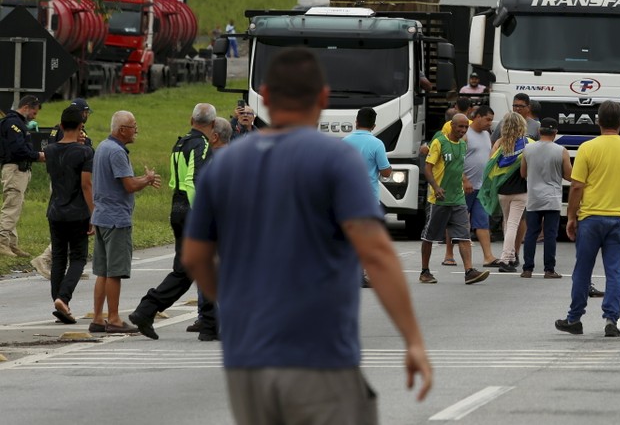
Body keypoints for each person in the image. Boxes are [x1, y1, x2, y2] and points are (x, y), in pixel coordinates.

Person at [181, 47, 432, 422]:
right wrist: (413, 340)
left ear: (264, 96)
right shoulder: (335, 160)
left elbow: (195, 257)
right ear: (323, 97)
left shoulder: (225, 164)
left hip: (248, 360)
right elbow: (376, 254)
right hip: (322, 357)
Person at [555, 101, 620, 337]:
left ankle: (574, 318)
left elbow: (576, 186)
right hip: (618, 219)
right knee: (614, 272)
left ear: (598, 121)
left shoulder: (587, 148)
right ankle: (611, 319)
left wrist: (571, 217)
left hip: (590, 218)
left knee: (582, 271)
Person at [128, 103, 219, 341]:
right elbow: (194, 179)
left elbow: (177, 180)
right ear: (212, 124)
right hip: (192, 209)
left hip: (177, 207)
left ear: (191, 120)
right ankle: (210, 326)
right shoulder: (202, 144)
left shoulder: (180, 143)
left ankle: (146, 310)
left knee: (185, 270)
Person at [90, 110, 160, 335]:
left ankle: (98, 318)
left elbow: (123, 182)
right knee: (115, 272)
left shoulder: (102, 147)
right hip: (116, 219)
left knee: (102, 271)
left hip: (101, 216)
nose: (136, 129)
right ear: (122, 130)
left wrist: (144, 180)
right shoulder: (117, 152)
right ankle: (114, 319)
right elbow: (129, 186)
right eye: (133, 125)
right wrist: (147, 180)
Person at [419, 113, 489, 285]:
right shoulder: (439, 143)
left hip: (457, 198)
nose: (463, 130)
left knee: (464, 235)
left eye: (465, 127)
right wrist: (436, 187)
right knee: (429, 237)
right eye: (460, 127)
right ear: (452, 126)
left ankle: (469, 271)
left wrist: (465, 181)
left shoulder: (463, 145)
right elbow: (428, 168)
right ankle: (425, 271)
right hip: (439, 199)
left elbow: (459, 168)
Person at [42, 106, 94, 325]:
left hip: (55, 210)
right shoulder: (85, 152)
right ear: (81, 127)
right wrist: (93, 214)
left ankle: (58, 302)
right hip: (77, 212)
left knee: (59, 259)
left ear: (61, 126)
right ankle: (63, 299)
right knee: (79, 258)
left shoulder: (51, 151)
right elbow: (86, 185)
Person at [31, 97, 93, 278]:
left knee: (66, 226)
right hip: (69, 184)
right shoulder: (69, 132)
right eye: (85, 112)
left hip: (60, 183)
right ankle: (46, 258)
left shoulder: (57, 129)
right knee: (70, 225)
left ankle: (69, 267)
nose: (86, 116)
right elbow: (75, 156)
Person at [342, 108, 392, 289]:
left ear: (356, 121)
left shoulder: (345, 142)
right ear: (374, 125)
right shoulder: (377, 144)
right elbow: (385, 171)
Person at [520, 117, 571, 278]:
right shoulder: (561, 150)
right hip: (552, 197)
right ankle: (549, 269)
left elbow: (523, 173)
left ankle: (527, 269)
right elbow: (569, 175)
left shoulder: (528, 149)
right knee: (550, 235)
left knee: (531, 234)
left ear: (540, 131)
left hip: (534, 198)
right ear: (555, 133)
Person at [482, 112, 530, 271]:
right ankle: (505, 258)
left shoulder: (499, 144)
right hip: (520, 190)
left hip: (502, 190)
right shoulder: (527, 143)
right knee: (513, 224)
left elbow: (490, 164)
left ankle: (509, 257)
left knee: (507, 223)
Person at [0, 95, 45, 258]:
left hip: (20, 170)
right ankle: (2, 242)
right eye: (34, 112)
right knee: (11, 205)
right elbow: (18, 149)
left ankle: (11, 244)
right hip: (14, 169)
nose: (34, 116)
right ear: (26, 107)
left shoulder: (19, 123)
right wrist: (37, 156)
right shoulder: (13, 123)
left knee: (16, 205)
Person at [460, 106, 500, 268]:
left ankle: (488, 256)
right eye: (488, 119)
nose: (490, 123)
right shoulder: (465, 135)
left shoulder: (486, 134)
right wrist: (464, 180)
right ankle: (449, 254)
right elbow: (457, 161)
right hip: (465, 187)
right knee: (459, 222)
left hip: (481, 187)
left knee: (482, 222)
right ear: (477, 117)